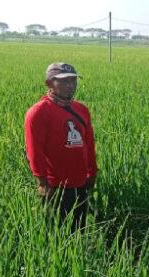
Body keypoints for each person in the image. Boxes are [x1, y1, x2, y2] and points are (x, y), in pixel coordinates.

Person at [24, 62, 97, 228]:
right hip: (55, 186)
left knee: (79, 230)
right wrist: (42, 182)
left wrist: (92, 172)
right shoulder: (38, 112)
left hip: (80, 182)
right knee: (56, 233)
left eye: (73, 80)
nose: (70, 85)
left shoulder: (82, 109)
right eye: (64, 81)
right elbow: (34, 151)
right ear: (49, 83)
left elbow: (89, 144)